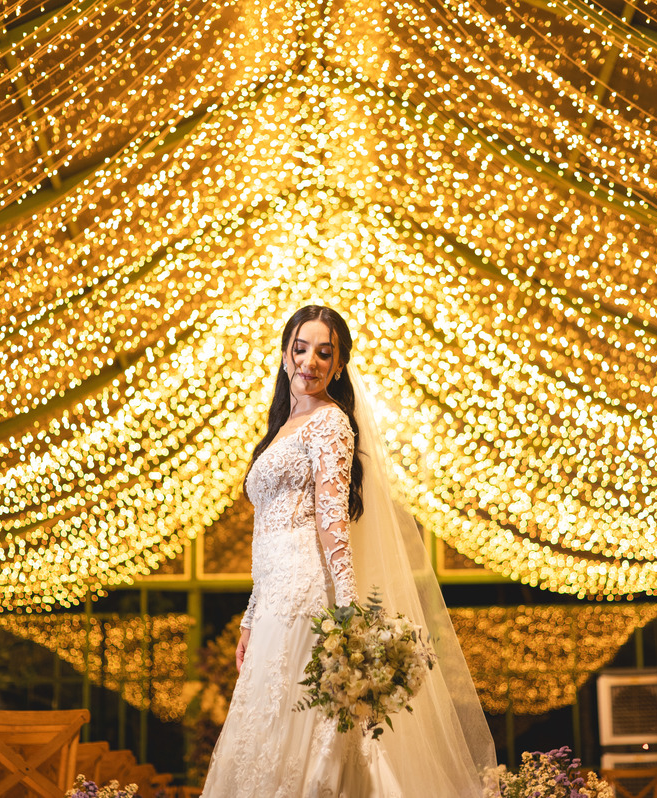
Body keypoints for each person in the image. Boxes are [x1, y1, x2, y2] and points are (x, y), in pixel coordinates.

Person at [200, 305, 496, 797]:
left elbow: (332, 521)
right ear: (283, 353)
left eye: (323, 353)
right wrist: (251, 616)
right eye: (301, 348)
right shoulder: (280, 429)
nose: (309, 362)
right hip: (273, 601)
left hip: (308, 600)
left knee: (309, 733)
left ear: (338, 366)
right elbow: (263, 535)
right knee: (268, 729)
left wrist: (347, 616)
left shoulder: (331, 423)